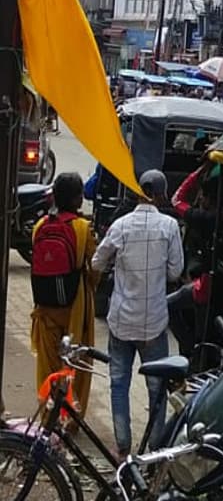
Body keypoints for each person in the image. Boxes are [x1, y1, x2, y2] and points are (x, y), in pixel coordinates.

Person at [91, 169, 184, 457]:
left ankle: (123, 449)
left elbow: (96, 263)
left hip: (121, 321)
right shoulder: (169, 227)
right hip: (153, 322)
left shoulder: (120, 226)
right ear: (161, 194)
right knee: (156, 390)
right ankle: (154, 451)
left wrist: (117, 267)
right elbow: (175, 271)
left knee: (119, 385)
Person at [30, 173, 98, 415]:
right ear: (78, 199)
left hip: (45, 304)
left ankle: (47, 415)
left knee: (47, 364)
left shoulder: (40, 226)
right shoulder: (82, 227)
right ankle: (70, 416)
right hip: (75, 306)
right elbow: (95, 266)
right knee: (74, 362)